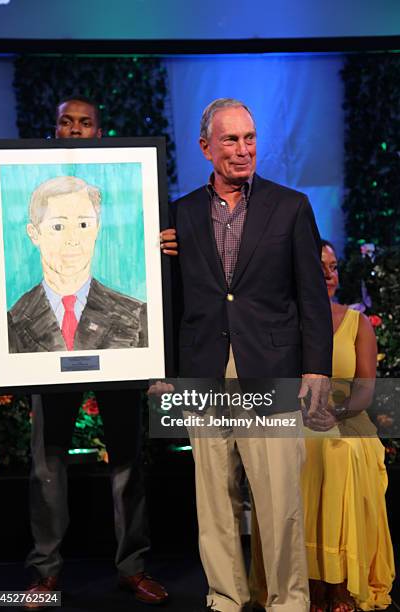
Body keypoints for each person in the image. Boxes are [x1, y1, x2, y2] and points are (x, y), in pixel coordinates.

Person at [161, 98, 333, 612]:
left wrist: (316, 368)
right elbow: (172, 298)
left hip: (272, 371)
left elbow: (311, 298)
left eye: (250, 138)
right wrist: (164, 371)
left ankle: (288, 601)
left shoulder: (291, 206)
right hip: (204, 373)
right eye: (231, 140)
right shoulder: (180, 214)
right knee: (214, 500)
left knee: (280, 502)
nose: (243, 150)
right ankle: (226, 598)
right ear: (206, 147)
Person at [23, 97, 168, 608]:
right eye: (67, 121)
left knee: (128, 457)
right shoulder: (19, 319)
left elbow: (146, 237)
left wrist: (163, 241)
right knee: (47, 459)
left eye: (86, 123)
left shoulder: (128, 184)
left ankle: (134, 566)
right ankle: (45, 573)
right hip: (45, 350)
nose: (76, 129)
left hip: (122, 349)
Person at [249, 240, 395, 612]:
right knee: (301, 449)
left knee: (339, 452)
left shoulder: (356, 322)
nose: (329, 275)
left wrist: (338, 412)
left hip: (345, 417)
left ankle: (340, 583)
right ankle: (308, 582)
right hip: (293, 417)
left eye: (333, 267)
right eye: (320, 267)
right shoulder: (280, 323)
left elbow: (365, 389)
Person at [8, 175, 147, 352]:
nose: (73, 239)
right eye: (58, 227)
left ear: (97, 228)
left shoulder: (137, 316)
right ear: (34, 233)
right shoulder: (11, 322)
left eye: (83, 225)